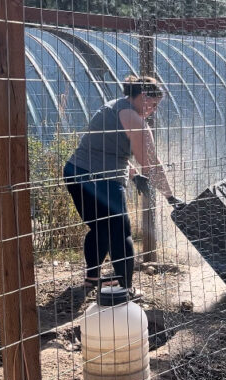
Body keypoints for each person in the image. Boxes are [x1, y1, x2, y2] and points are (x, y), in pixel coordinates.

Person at [63, 75, 178, 299]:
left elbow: (109, 150)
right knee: (120, 231)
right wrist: (171, 197)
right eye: (153, 105)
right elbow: (152, 164)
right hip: (101, 180)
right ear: (143, 96)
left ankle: (92, 278)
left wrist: (134, 176)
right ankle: (126, 288)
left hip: (75, 173)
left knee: (100, 228)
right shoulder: (135, 120)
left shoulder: (113, 107)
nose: (153, 111)